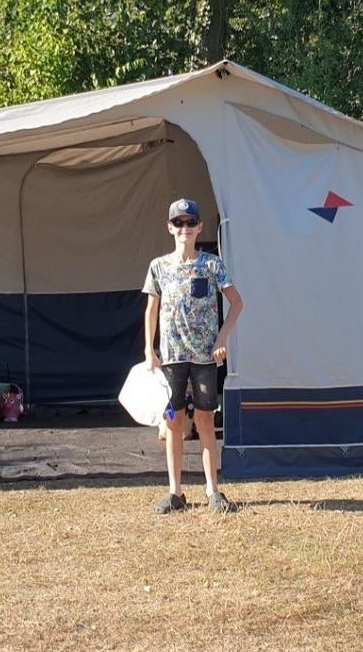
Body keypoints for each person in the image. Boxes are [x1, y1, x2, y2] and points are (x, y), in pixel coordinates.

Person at [143, 198, 244, 514]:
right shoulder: (158, 266)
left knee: (204, 420)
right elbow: (151, 309)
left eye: (190, 222)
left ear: (200, 227)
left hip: (204, 358)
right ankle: (175, 493)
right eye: (178, 223)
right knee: (173, 423)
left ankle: (213, 491)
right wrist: (150, 350)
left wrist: (222, 337)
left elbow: (237, 302)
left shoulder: (212, 265)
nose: (184, 228)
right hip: (172, 358)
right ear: (169, 228)